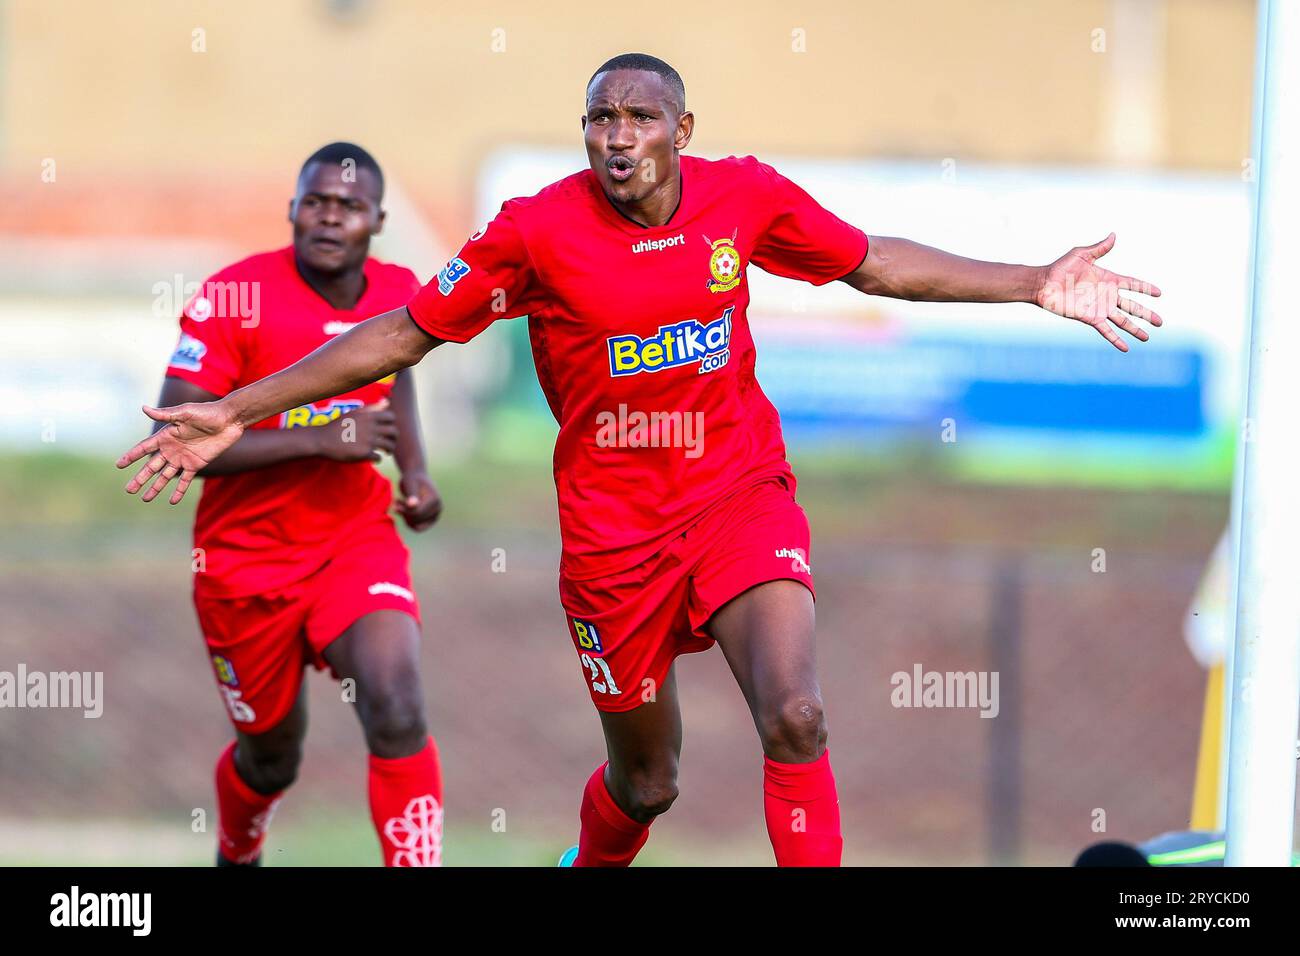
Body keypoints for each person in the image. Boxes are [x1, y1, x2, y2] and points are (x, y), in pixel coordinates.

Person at [118, 55, 1162, 866]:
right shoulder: (532, 234)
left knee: (795, 709)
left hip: (737, 496)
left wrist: (1034, 280)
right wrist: (235, 409)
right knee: (648, 780)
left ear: (682, 131)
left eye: (638, 118)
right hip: (613, 543)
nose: (617, 138)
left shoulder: (742, 197)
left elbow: (875, 262)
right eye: (599, 120)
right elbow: (400, 334)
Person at [155, 142, 445, 866]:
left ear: (377, 221)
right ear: (291, 208)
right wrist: (318, 437)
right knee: (272, 759)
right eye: (315, 201)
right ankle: (238, 847)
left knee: (397, 704)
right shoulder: (234, 297)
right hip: (243, 566)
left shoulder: (398, 290)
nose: (329, 217)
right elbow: (178, 443)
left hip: (355, 541)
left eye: (348, 207)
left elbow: (396, 370)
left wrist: (414, 469)